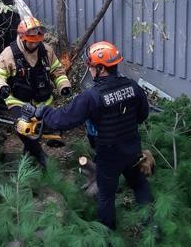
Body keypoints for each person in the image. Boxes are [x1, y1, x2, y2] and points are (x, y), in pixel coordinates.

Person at [24, 41, 153, 230]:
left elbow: (64, 120)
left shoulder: (92, 96)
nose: (90, 70)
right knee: (140, 185)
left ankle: (107, 236)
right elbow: (143, 115)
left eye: (91, 66)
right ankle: (152, 227)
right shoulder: (133, 86)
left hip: (110, 155)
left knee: (106, 196)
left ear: (100, 68)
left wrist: (43, 112)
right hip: (132, 149)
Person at [0, 16, 72, 166]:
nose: (34, 44)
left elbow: (57, 71)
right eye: (31, 41)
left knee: (47, 130)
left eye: (37, 41)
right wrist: (1, 87)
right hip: (18, 101)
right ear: (22, 37)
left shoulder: (46, 51)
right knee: (25, 128)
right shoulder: (9, 54)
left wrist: (64, 86)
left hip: (43, 100)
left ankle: (26, 162)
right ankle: (40, 156)